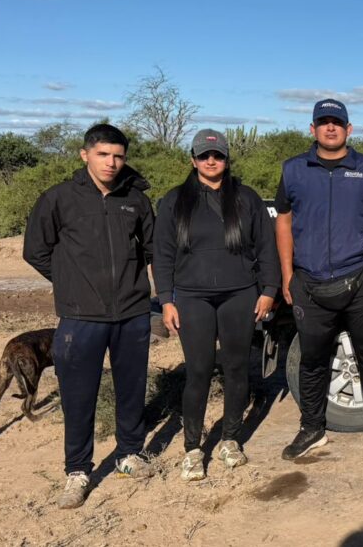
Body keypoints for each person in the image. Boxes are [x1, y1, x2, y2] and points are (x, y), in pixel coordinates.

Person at [23, 124, 156, 509]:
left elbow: (152, 249)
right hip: (80, 318)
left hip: (132, 313)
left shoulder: (135, 200)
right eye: (103, 154)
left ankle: (129, 454)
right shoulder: (59, 198)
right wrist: (70, 283)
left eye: (118, 156)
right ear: (85, 155)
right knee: (79, 397)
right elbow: (36, 250)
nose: (111, 163)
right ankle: (77, 471)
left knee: (131, 389)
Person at [153, 129, 281, 481]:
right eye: (205, 155)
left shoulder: (247, 199)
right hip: (191, 298)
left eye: (218, 155)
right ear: (193, 160)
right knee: (198, 370)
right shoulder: (174, 201)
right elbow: (161, 255)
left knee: (237, 368)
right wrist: (166, 300)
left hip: (239, 295)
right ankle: (193, 448)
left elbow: (267, 247)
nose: (212, 161)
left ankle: (229, 439)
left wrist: (268, 289)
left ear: (227, 159)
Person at [274, 98, 363, 460]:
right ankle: (312, 428)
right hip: (309, 283)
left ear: (348, 130)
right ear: (312, 129)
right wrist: (287, 274)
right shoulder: (293, 170)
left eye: (337, 123)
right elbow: (283, 220)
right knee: (312, 360)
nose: (330, 128)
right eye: (323, 122)